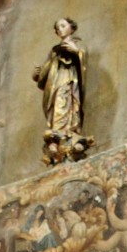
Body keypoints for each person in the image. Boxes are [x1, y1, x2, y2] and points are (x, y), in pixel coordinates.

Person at [33, 18, 92, 164]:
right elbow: (46, 72)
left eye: (63, 25)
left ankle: (69, 134)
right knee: (58, 105)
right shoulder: (54, 51)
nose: (60, 29)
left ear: (72, 28)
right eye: (57, 27)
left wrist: (76, 52)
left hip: (70, 81)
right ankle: (57, 137)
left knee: (68, 103)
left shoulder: (78, 44)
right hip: (56, 85)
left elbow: (83, 61)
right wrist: (37, 75)